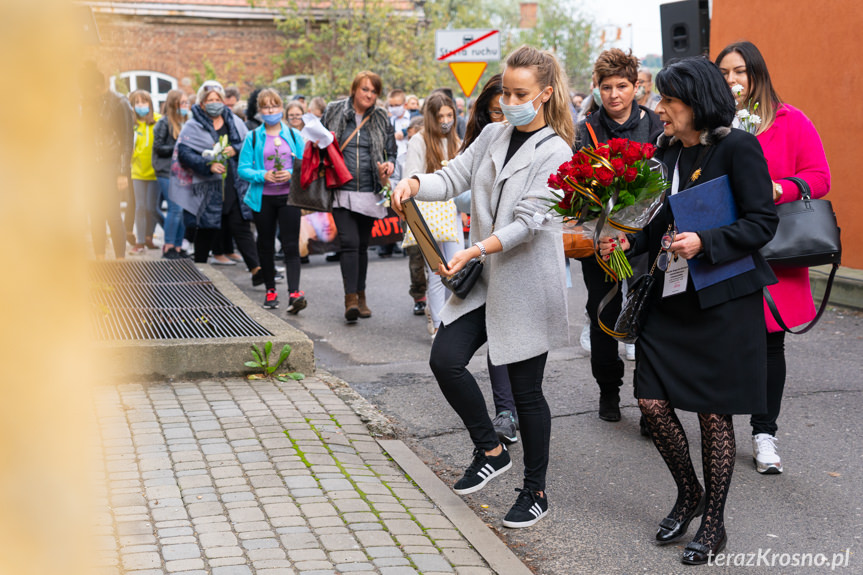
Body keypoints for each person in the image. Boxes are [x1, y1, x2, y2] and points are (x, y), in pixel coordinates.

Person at [598, 57, 778, 565]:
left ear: (695, 103)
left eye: (668, 102)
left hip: (722, 299)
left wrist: (708, 241)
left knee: (712, 413)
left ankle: (714, 525)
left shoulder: (738, 148)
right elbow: (657, 227)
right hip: (669, 298)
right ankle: (689, 492)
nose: (660, 110)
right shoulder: (666, 153)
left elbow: (763, 223)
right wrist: (621, 244)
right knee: (652, 402)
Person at [392, 45, 574, 529]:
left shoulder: (558, 150)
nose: (509, 101)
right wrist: (414, 183)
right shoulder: (494, 134)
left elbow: (530, 222)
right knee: (445, 359)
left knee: (525, 392)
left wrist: (475, 249)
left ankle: (535, 490)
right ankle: (491, 449)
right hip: (485, 280)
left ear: (545, 94)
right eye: (506, 92)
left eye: (520, 93)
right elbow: (452, 176)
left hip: (525, 282)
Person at [716, 41, 831, 475]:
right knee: (724, 340)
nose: (733, 81)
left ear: (757, 74)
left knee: (769, 343)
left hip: (775, 249)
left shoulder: (791, 120)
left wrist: (779, 188)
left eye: (740, 72)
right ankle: (719, 427)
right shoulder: (714, 124)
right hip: (724, 245)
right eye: (724, 73)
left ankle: (765, 432)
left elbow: (820, 177)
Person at [575, 48, 664, 423]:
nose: (614, 94)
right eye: (606, 87)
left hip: (647, 235)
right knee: (603, 311)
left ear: (637, 87)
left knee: (647, 312)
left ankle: (649, 399)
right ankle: (608, 391)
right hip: (603, 237)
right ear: (596, 88)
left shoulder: (655, 125)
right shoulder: (588, 129)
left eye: (622, 86)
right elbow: (577, 184)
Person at [454, 73, 520, 445]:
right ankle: (505, 411)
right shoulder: (480, 143)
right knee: (496, 333)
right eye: (496, 111)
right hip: (485, 252)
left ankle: (522, 406)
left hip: (522, 253)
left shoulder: (539, 144)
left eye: (510, 106)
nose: (504, 117)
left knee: (522, 338)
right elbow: (458, 192)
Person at [321, 71, 397, 323]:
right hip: (340, 188)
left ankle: (361, 296)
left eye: (374, 91)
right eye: (365, 89)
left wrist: (390, 164)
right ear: (354, 89)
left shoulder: (381, 116)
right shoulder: (333, 111)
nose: (369, 95)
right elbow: (318, 141)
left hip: (369, 189)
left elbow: (391, 150)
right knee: (350, 243)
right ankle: (350, 299)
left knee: (362, 246)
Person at [173, 80, 262, 284]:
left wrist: (236, 149)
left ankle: (257, 269)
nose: (214, 103)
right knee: (207, 227)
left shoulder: (234, 122)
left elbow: (248, 144)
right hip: (206, 185)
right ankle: (200, 271)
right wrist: (208, 164)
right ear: (202, 103)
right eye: (210, 100)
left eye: (217, 99)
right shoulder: (193, 126)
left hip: (232, 182)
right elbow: (184, 153)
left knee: (240, 225)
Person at [239, 88, 307, 312]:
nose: (270, 110)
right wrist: (262, 175)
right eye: (266, 107)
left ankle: (294, 293)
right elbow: (243, 169)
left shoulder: (294, 135)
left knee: (290, 245)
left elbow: (305, 165)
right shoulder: (254, 136)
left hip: (288, 197)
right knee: (265, 244)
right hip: (263, 198)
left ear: (282, 108)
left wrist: (290, 172)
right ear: (260, 110)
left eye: (274, 106)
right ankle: (270, 290)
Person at [401, 92, 462, 338]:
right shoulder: (419, 141)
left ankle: (449, 318)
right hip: (428, 212)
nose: (446, 121)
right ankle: (438, 325)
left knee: (455, 268)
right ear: (430, 117)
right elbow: (412, 175)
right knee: (437, 272)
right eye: (440, 117)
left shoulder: (456, 139)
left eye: (450, 115)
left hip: (452, 211)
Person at [80, 61, 134, 260]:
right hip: (92, 165)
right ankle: (100, 259)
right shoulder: (89, 103)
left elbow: (127, 140)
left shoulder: (120, 102)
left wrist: (122, 172)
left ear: (96, 87)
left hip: (112, 165)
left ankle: (120, 260)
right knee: (95, 213)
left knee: (112, 213)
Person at [153, 89, 190, 259]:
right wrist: (178, 146)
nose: (185, 106)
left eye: (186, 103)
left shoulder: (185, 123)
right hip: (166, 171)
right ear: (174, 104)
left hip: (182, 172)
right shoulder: (163, 123)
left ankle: (177, 246)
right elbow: (159, 147)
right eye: (182, 103)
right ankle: (168, 246)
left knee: (180, 210)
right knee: (174, 209)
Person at [128, 90, 164, 254]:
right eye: (137, 103)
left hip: (155, 172)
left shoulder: (158, 121)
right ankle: (140, 242)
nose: (141, 106)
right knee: (140, 207)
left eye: (144, 102)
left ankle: (173, 235)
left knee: (152, 208)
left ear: (150, 104)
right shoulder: (131, 123)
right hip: (137, 172)